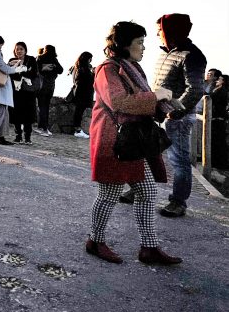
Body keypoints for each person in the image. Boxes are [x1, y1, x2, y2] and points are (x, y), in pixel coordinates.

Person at [86, 21, 181, 265]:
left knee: (147, 191)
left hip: (132, 140)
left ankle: (149, 248)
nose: (143, 47)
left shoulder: (132, 67)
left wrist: (169, 105)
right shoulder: (106, 68)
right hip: (114, 139)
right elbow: (119, 102)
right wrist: (156, 95)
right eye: (139, 42)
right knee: (110, 192)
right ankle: (95, 241)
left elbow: (142, 101)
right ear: (124, 44)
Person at [153, 13, 207, 218]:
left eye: (161, 30)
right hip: (158, 114)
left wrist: (176, 111)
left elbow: (195, 89)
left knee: (179, 161)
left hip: (178, 118)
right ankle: (139, 190)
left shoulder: (192, 55)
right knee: (147, 153)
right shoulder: (166, 53)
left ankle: (178, 202)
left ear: (171, 31)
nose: (158, 34)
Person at [8, 42, 39, 144]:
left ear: (25, 50)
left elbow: (33, 73)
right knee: (16, 114)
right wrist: (23, 71)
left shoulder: (31, 59)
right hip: (16, 92)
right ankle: (18, 136)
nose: (19, 51)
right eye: (17, 49)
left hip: (28, 92)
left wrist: (20, 71)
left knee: (28, 116)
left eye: (21, 49)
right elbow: (11, 74)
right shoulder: (12, 61)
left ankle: (28, 137)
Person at [34, 45, 63, 136]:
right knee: (45, 106)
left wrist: (43, 68)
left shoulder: (40, 57)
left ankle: (42, 127)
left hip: (41, 86)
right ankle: (44, 127)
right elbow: (61, 70)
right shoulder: (54, 59)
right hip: (50, 86)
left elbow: (35, 69)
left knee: (41, 106)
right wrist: (53, 66)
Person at [69, 52, 95, 138]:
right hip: (82, 93)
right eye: (90, 58)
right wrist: (94, 74)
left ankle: (77, 129)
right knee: (79, 111)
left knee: (79, 111)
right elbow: (85, 81)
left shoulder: (77, 67)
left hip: (80, 92)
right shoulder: (83, 69)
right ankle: (77, 130)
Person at [210, 73, 228, 169]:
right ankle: (218, 163)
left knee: (219, 142)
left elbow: (211, 98)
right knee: (218, 142)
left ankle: (220, 164)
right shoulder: (218, 90)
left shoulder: (221, 91)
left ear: (223, 82)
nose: (217, 80)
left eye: (219, 79)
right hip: (217, 119)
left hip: (218, 119)